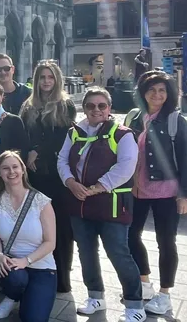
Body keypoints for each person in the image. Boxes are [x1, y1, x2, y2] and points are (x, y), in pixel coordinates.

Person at [57, 87, 145, 322]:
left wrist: (97, 187)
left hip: (111, 204)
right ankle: (95, 296)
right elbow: (62, 159)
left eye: (101, 105)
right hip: (80, 203)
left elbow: (126, 166)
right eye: (90, 105)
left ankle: (134, 304)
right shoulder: (74, 132)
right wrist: (70, 182)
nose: (96, 110)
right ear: (84, 108)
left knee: (118, 252)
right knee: (86, 252)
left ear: (109, 108)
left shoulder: (122, 134)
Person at [126, 70, 187, 316]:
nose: (157, 95)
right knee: (130, 235)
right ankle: (144, 283)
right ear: (143, 92)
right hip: (136, 189)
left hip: (166, 191)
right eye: (151, 90)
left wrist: (185, 194)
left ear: (169, 94)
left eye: (162, 90)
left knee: (166, 242)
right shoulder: (135, 117)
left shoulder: (176, 121)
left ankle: (165, 295)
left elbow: (186, 160)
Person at [19, 60, 76, 293]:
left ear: (57, 79)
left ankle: (63, 278)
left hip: (56, 174)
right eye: (42, 77)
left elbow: (64, 137)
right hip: (34, 175)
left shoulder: (65, 104)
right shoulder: (28, 106)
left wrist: (38, 151)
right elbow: (22, 134)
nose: (46, 81)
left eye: (50, 77)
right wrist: (28, 152)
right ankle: (39, 274)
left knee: (61, 226)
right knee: (36, 226)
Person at [0, 152, 57, 321]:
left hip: (42, 266)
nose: (11, 172)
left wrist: (26, 261)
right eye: (5, 168)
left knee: (34, 319)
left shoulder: (41, 201)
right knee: (16, 278)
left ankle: (26, 300)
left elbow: (50, 242)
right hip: (11, 266)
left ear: (23, 169)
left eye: (15, 167)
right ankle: (12, 296)